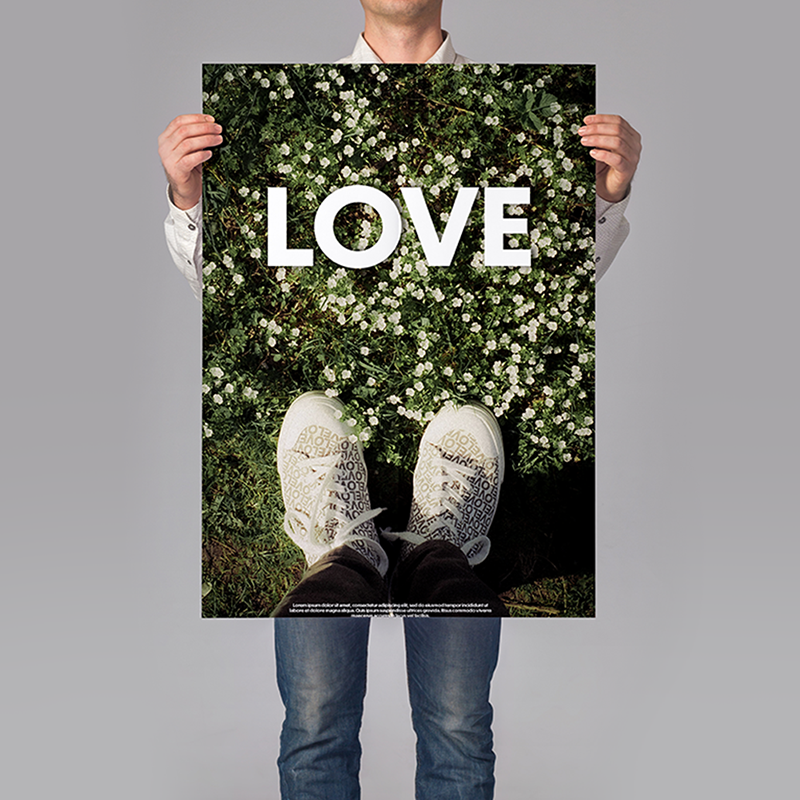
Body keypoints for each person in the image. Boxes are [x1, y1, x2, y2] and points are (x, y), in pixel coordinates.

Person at [157, 2, 642, 797]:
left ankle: (423, 547)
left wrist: (604, 200)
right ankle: (369, 549)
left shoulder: (516, 124)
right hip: (359, 366)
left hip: (451, 353)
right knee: (315, 730)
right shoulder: (285, 122)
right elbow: (243, 296)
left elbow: (548, 289)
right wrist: (190, 203)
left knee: (457, 732)